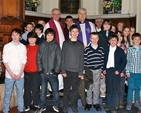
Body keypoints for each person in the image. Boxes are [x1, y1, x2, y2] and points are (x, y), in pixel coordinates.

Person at [36, 28, 61, 113]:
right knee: (42, 92)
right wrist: (40, 69)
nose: (50, 37)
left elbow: (59, 59)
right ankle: (42, 106)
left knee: (55, 92)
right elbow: (38, 58)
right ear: (45, 36)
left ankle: (56, 105)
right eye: (48, 35)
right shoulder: (42, 45)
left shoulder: (56, 46)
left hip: (53, 74)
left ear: (54, 36)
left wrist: (56, 71)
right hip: (43, 73)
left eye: (51, 35)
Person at [3, 28, 27, 113]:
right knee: (8, 93)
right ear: (11, 36)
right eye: (13, 34)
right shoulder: (7, 46)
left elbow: (24, 61)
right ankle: (6, 110)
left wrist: (20, 73)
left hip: (21, 75)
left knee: (20, 93)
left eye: (17, 34)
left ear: (20, 36)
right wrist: (12, 74)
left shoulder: (23, 47)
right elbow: (5, 61)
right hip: (9, 75)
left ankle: (20, 109)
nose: (15, 36)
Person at [61, 24, 84, 113]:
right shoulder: (65, 43)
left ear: (78, 33)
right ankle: (65, 106)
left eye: (76, 31)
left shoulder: (80, 44)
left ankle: (74, 106)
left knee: (75, 90)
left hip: (76, 71)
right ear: (70, 32)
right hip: (67, 70)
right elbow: (62, 57)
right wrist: (63, 70)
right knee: (66, 90)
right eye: (73, 31)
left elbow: (82, 59)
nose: (74, 33)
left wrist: (80, 72)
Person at [43, 8, 65, 92]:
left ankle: (60, 87)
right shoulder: (48, 24)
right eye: (55, 14)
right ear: (52, 15)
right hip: (53, 50)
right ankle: (52, 88)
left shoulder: (60, 24)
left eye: (58, 14)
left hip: (61, 49)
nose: (56, 15)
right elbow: (46, 38)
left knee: (60, 66)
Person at [103, 34, 126, 113]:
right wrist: (103, 69)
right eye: (111, 40)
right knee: (109, 89)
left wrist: (119, 70)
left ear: (117, 41)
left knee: (115, 89)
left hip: (116, 71)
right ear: (109, 41)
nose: (113, 41)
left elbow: (123, 62)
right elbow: (103, 60)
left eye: (115, 40)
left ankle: (113, 105)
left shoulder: (120, 50)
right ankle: (108, 104)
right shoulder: (105, 49)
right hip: (108, 71)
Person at [84, 32, 104, 111]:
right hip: (89, 70)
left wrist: (102, 71)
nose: (94, 40)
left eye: (96, 38)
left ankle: (96, 103)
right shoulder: (87, 49)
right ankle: (88, 103)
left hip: (98, 70)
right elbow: (85, 61)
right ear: (90, 39)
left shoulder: (101, 49)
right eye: (93, 38)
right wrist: (85, 71)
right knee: (89, 87)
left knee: (97, 87)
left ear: (98, 39)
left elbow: (102, 60)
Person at [24, 32, 40, 112]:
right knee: (27, 89)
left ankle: (36, 103)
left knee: (35, 89)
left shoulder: (39, 47)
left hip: (36, 72)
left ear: (36, 39)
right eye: (30, 38)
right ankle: (27, 104)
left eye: (33, 38)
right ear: (27, 39)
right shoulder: (24, 48)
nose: (32, 40)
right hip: (26, 71)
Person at [98, 19, 113, 101]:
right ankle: (102, 94)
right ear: (102, 25)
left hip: (111, 57)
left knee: (110, 77)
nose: (107, 26)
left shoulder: (113, 34)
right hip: (103, 56)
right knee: (102, 77)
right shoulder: (100, 34)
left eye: (108, 24)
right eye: (105, 24)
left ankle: (109, 95)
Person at [126, 33, 141, 111]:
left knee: (138, 88)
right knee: (131, 88)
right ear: (132, 40)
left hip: (139, 73)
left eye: (139, 39)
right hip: (131, 72)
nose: (137, 41)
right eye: (135, 39)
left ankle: (137, 101)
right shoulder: (130, 49)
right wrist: (127, 71)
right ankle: (129, 102)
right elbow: (128, 61)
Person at [117, 31, 127, 109]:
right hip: (113, 71)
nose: (119, 37)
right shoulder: (111, 46)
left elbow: (124, 60)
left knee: (121, 87)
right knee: (114, 87)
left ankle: (120, 101)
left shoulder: (124, 46)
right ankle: (115, 101)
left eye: (121, 36)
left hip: (121, 71)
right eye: (117, 36)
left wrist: (122, 70)